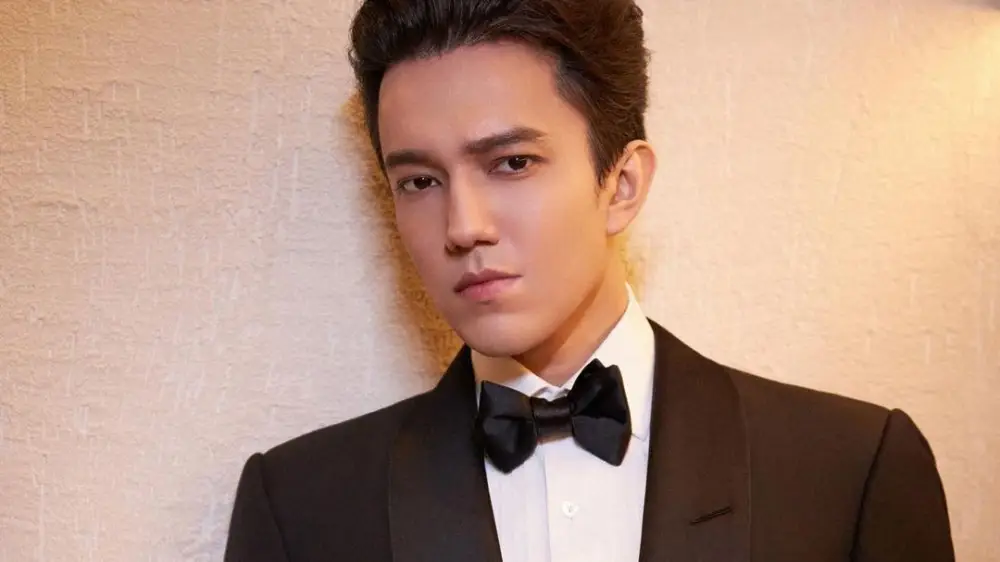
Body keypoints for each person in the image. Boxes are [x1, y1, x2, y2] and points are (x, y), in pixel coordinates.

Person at [223, 1, 955, 560]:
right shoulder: (300, 507)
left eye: (512, 163)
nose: (463, 226)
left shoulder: (851, 470)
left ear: (622, 185)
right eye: (419, 180)